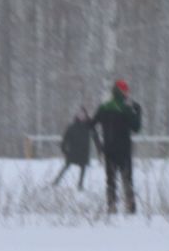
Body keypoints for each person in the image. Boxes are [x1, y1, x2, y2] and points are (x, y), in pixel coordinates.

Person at [93, 79, 143, 214]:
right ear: (121, 92)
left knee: (110, 181)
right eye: (126, 90)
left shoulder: (103, 107)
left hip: (108, 150)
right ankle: (130, 208)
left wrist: (99, 144)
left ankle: (111, 207)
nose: (127, 93)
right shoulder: (126, 109)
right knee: (127, 179)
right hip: (124, 151)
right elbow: (136, 128)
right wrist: (138, 111)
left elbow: (91, 124)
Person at [54, 109, 94, 187]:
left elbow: (95, 137)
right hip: (73, 152)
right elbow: (65, 139)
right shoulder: (72, 127)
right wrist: (64, 150)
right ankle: (56, 181)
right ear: (77, 116)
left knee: (83, 168)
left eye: (84, 116)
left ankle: (80, 184)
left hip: (83, 153)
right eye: (80, 115)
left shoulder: (88, 127)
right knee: (66, 167)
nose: (82, 117)